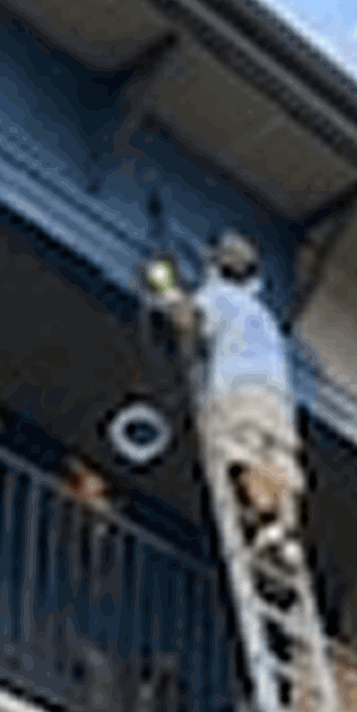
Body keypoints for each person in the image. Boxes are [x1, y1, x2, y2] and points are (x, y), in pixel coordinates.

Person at [151, 230, 303, 569]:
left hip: (239, 386)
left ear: (217, 268)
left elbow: (189, 323)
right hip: (278, 399)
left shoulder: (219, 296)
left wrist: (170, 295)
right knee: (279, 464)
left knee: (241, 455)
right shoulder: (265, 317)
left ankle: (268, 525)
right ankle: (283, 533)